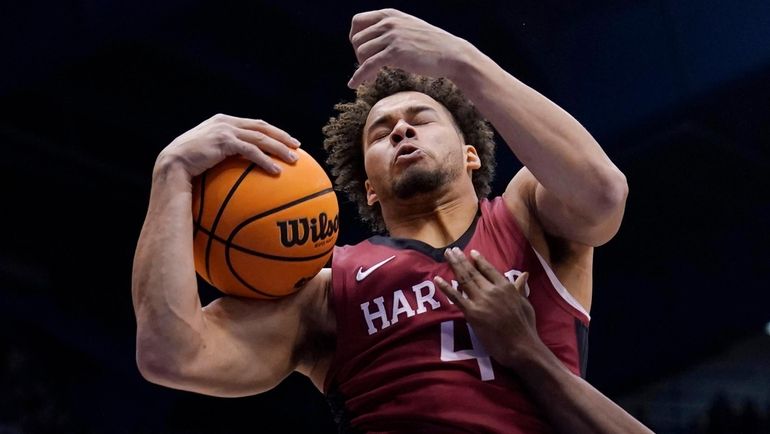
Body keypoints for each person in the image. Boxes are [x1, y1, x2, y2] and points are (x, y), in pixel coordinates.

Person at [132, 8, 653, 434]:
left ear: (471, 155)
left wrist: (462, 62)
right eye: (381, 133)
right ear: (369, 189)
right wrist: (171, 173)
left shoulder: (530, 216)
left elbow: (604, 191)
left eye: (422, 119)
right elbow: (172, 354)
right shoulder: (324, 292)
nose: (402, 128)